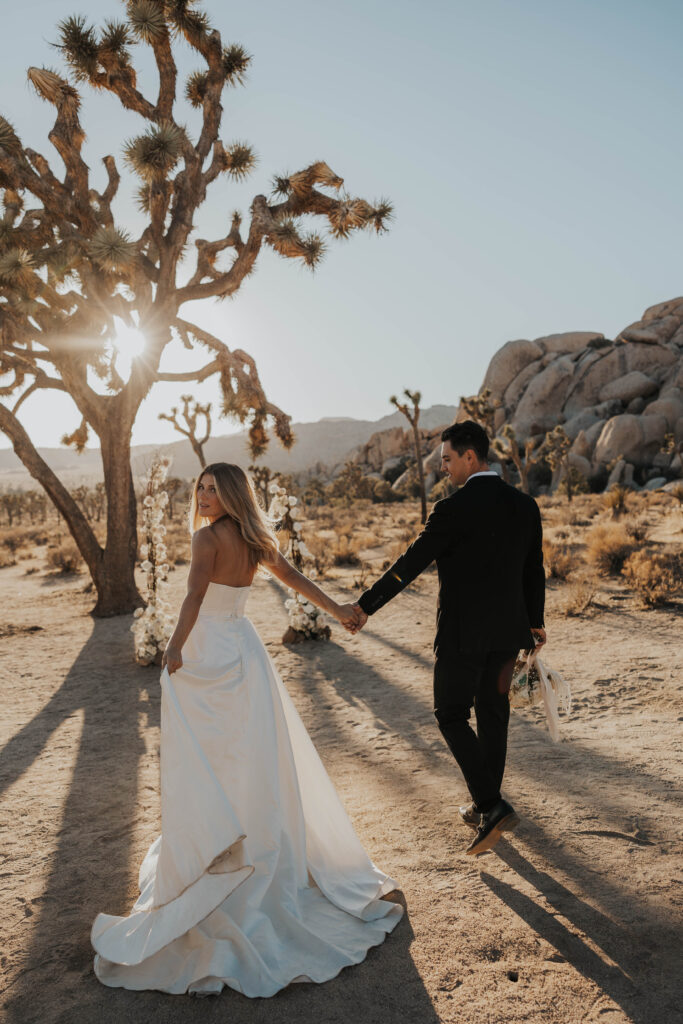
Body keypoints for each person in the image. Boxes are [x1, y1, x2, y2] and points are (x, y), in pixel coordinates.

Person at [91, 463, 401, 998]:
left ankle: (221, 845)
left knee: (213, 757)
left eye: (213, 489)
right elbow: (296, 580)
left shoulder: (206, 538)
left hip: (207, 653)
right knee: (249, 755)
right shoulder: (256, 539)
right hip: (243, 653)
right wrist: (339, 610)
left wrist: (173, 650)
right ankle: (239, 839)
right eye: (201, 488)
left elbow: (191, 599)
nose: (204, 496)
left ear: (232, 493)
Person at [352, 421, 546, 856]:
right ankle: (485, 807)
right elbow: (534, 569)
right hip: (508, 633)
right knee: (493, 717)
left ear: (470, 458)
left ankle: (491, 805)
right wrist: (536, 624)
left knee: (450, 713)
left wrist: (366, 605)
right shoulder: (525, 506)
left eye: (447, 459)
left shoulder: (451, 510)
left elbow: (408, 566)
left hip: (461, 636)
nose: (443, 468)